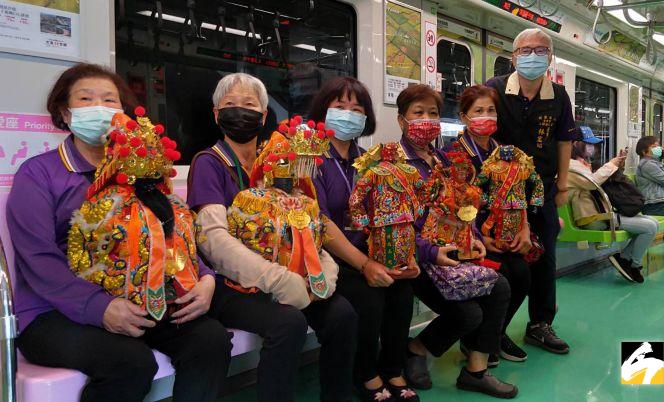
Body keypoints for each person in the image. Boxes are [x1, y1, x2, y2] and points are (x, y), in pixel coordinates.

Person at [7, 64, 231, 402]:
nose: (100, 108)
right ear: (65, 113)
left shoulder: (142, 171)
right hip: (51, 310)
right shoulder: (39, 173)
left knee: (210, 339)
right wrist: (99, 307)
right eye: (86, 98)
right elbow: (37, 258)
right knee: (130, 362)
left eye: (110, 101)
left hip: (138, 296)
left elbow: (173, 234)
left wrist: (205, 277)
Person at [187, 73, 357, 402]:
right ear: (216, 114)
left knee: (343, 315)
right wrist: (275, 278)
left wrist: (322, 269)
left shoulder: (279, 161)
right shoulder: (209, 163)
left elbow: (304, 220)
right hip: (230, 284)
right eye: (230, 105)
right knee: (288, 323)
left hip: (291, 272)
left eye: (249, 105)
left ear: (264, 116)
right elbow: (213, 241)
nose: (241, 111)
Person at [398, 85, 516, 399]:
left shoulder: (444, 160)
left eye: (433, 113)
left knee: (500, 285)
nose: (426, 119)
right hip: (417, 257)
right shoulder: (395, 166)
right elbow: (399, 227)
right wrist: (432, 252)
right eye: (418, 113)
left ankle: (476, 371)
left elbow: (463, 209)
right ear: (401, 121)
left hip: (453, 250)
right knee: (468, 314)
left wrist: (475, 240)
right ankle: (415, 348)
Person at [308, 77, 421, 402]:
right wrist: (365, 263)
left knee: (403, 290)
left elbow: (395, 212)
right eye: (339, 107)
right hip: (334, 259)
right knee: (369, 297)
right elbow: (321, 221)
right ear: (323, 111)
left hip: (375, 251)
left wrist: (404, 256)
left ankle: (393, 369)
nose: (348, 114)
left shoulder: (371, 160)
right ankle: (366, 374)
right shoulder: (311, 159)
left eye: (356, 109)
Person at [486, 28, 573, 354]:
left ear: (550, 57)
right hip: (501, 193)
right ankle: (493, 329)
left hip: (544, 189)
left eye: (539, 50)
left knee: (545, 259)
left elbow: (564, 141)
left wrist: (563, 184)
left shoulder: (559, 95)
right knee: (507, 259)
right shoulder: (494, 89)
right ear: (513, 56)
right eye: (525, 50)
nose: (532, 56)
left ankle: (540, 324)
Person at [442, 84, 531, 364]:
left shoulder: (505, 152)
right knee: (501, 272)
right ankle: (475, 342)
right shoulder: (452, 153)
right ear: (465, 117)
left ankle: (497, 333)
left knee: (523, 273)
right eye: (478, 110)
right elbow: (452, 207)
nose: (486, 115)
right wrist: (481, 237)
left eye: (491, 110)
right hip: (469, 235)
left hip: (506, 229)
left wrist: (524, 228)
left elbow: (519, 193)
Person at [568, 127, 659, 284]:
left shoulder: (582, 164)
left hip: (601, 212)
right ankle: (633, 264)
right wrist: (611, 165)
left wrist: (617, 166)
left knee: (654, 223)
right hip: (593, 217)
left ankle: (624, 258)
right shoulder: (570, 165)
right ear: (575, 144)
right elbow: (592, 184)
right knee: (650, 227)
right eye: (587, 144)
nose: (591, 148)